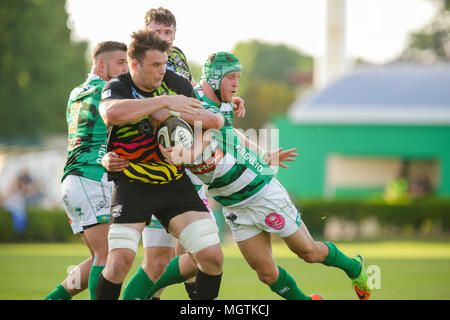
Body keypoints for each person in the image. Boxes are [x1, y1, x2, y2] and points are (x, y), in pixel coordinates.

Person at [158, 52, 373, 300]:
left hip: (260, 192)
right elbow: (219, 133)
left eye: (238, 77)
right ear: (215, 79)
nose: (236, 84)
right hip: (233, 205)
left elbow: (223, 135)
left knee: (309, 253)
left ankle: (354, 266)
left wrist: (262, 154)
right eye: (231, 77)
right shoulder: (198, 104)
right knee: (266, 273)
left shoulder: (220, 103)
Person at [95, 29, 224, 300]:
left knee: (212, 256)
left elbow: (213, 123)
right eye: (155, 65)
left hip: (173, 183)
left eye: (164, 63)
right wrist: (162, 103)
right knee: (119, 262)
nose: (162, 71)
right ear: (134, 65)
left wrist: (189, 154)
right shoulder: (117, 86)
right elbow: (112, 113)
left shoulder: (177, 84)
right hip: (132, 183)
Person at [44, 41, 128, 300]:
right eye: (121, 63)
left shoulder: (77, 91)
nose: (126, 69)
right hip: (90, 179)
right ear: (101, 65)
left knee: (97, 258)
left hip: (76, 179)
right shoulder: (106, 91)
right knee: (108, 256)